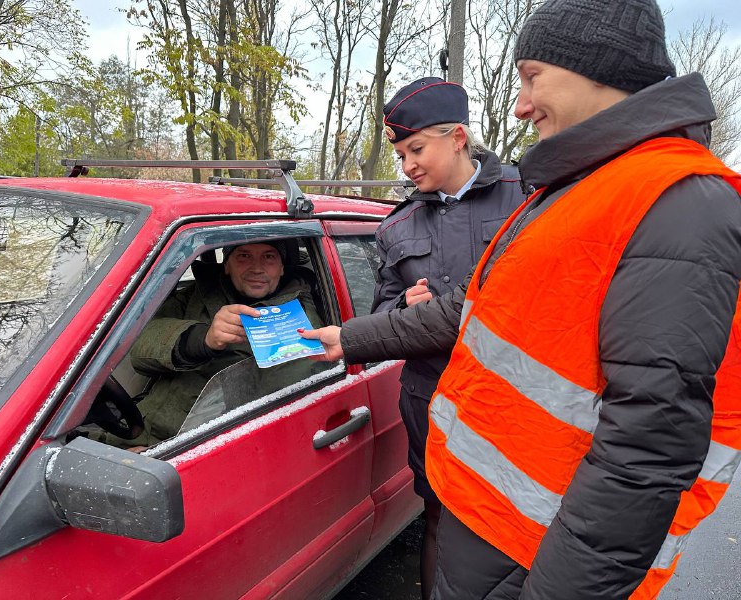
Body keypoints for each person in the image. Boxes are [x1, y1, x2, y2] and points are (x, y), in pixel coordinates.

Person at [302, 0, 741, 597]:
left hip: (535, 546)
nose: (520, 104)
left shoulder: (678, 202)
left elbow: (648, 447)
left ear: (600, 68)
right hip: (484, 520)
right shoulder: (580, 188)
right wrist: (350, 337)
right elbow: (472, 312)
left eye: (533, 76)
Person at [374, 76, 525, 599]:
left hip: (515, 399)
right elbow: (381, 312)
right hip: (430, 399)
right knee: (437, 514)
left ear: (458, 137)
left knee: (518, 522)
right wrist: (403, 306)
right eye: (400, 154)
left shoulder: (528, 198)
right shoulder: (397, 226)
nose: (407, 164)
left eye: (416, 149)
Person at [115, 241, 324, 448]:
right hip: (137, 427)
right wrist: (202, 339)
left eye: (269, 257)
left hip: (199, 447)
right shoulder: (196, 294)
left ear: (281, 268)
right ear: (226, 265)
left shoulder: (299, 318)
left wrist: (161, 454)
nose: (257, 268)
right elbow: (139, 352)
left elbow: (286, 411)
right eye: (243, 256)